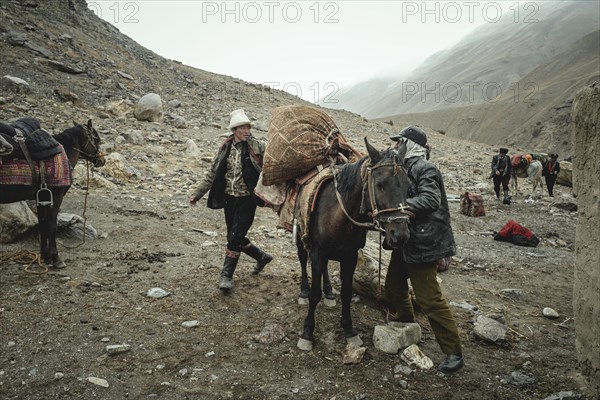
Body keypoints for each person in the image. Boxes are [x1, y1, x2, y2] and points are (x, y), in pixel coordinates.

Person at [386, 126, 464, 373]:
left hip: (424, 243)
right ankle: (408, 323)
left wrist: (401, 205)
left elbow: (431, 200)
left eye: (399, 142)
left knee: (430, 299)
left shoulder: (424, 168)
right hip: (406, 242)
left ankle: (454, 352)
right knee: (394, 286)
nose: (395, 146)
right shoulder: (404, 169)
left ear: (409, 145)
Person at [189, 109, 272, 293]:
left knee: (234, 238)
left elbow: (274, 162)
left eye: (248, 127)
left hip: (247, 199)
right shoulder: (225, 148)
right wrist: (197, 194)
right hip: (229, 199)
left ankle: (226, 276)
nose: (246, 130)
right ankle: (261, 256)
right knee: (234, 237)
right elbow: (212, 174)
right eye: (242, 127)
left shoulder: (257, 146)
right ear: (234, 130)